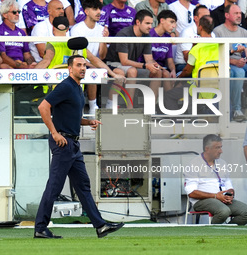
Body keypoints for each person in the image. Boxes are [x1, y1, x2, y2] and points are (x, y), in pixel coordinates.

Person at [34, 54, 124, 238]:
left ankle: (100, 226)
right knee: (54, 187)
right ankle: (40, 228)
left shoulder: (77, 87)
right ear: (70, 68)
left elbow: (69, 115)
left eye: (84, 65)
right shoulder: (66, 86)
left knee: (83, 186)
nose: (83, 68)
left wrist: (86, 122)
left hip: (73, 144)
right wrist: (54, 132)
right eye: (78, 65)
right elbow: (43, 107)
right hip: (63, 143)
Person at [184, 134, 247, 225]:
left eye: (221, 147)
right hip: (202, 201)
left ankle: (227, 232)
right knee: (224, 211)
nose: (221, 151)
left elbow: (228, 185)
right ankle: (211, 233)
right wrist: (215, 196)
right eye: (217, 148)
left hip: (222, 199)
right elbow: (191, 193)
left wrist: (230, 194)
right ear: (207, 149)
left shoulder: (222, 163)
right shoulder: (194, 164)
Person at [105, 9, 162, 108]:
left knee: (158, 72)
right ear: (138, 22)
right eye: (147, 23)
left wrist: (155, 66)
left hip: (130, 65)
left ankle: (150, 108)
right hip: (114, 63)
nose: (150, 26)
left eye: (151, 23)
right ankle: (129, 108)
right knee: (132, 71)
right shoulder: (124, 34)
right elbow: (124, 61)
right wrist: (145, 65)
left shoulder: (147, 36)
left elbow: (149, 59)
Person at [165, 15, 218, 111]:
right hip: (217, 87)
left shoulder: (196, 48)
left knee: (168, 95)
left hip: (198, 87)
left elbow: (187, 70)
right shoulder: (220, 46)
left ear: (200, 27)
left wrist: (178, 79)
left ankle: (175, 123)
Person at [213, 4, 247, 122]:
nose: (239, 16)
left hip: (241, 64)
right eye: (236, 13)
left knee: (239, 70)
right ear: (226, 15)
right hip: (224, 63)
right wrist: (233, 61)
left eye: (240, 13)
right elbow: (215, 55)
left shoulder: (244, 32)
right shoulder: (218, 31)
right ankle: (236, 109)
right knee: (237, 72)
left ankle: (237, 109)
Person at [70, 0, 109, 114]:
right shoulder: (77, 29)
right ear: (86, 11)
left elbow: (102, 55)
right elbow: (78, 55)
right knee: (93, 71)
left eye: (99, 9)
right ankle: (92, 107)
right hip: (79, 63)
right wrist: (94, 65)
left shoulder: (101, 29)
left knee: (119, 73)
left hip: (96, 63)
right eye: (95, 9)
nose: (99, 12)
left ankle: (109, 107)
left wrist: (104, 40)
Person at [0, 0, 36, 69]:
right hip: (8, 65)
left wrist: (32, 64)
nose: (17, 14)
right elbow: (2, 57)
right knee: (3, 67)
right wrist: (24, 66)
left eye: (18, 12)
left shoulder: (21, 32)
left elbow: (26, 53)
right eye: (14, 12)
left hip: (22, 64)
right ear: (5, 15)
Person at [174, 4, 211, 74]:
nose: (208, 19)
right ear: (196, 18)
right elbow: (187, 58)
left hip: (204, 64)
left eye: (209, 16)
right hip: (183, 65)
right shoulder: (187, 32)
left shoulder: (212, 34)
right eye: (204, 17)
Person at [148, 10, 177, 91]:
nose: (174, 26)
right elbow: (148, 58)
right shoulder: (149, 34)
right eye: (171, 22)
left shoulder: (167, 38)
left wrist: (173, 70)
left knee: (168, 73)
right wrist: (164, 70)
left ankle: (168, 101)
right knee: (164, 73)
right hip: (147, 65)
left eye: (174, 23)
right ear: (162, 20)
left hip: (161, 67)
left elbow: (170, 60)